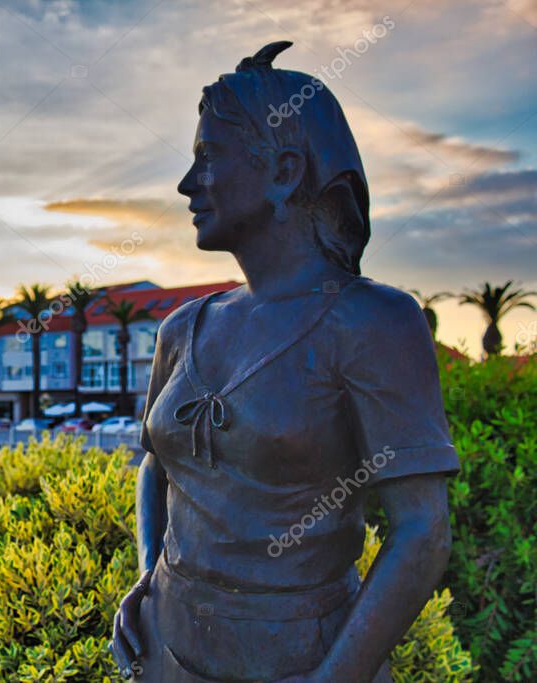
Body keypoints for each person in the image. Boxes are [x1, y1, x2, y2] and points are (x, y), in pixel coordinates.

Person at [110, 42, 459, 682]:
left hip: (300, 660)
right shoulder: (182, 327)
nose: (187, 185)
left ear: (284, 170)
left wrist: (334, 677)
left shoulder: (372, 322)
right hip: (163, 649)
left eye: (208, 157)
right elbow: (156, 465)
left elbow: (422, 531)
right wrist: (145, 576)